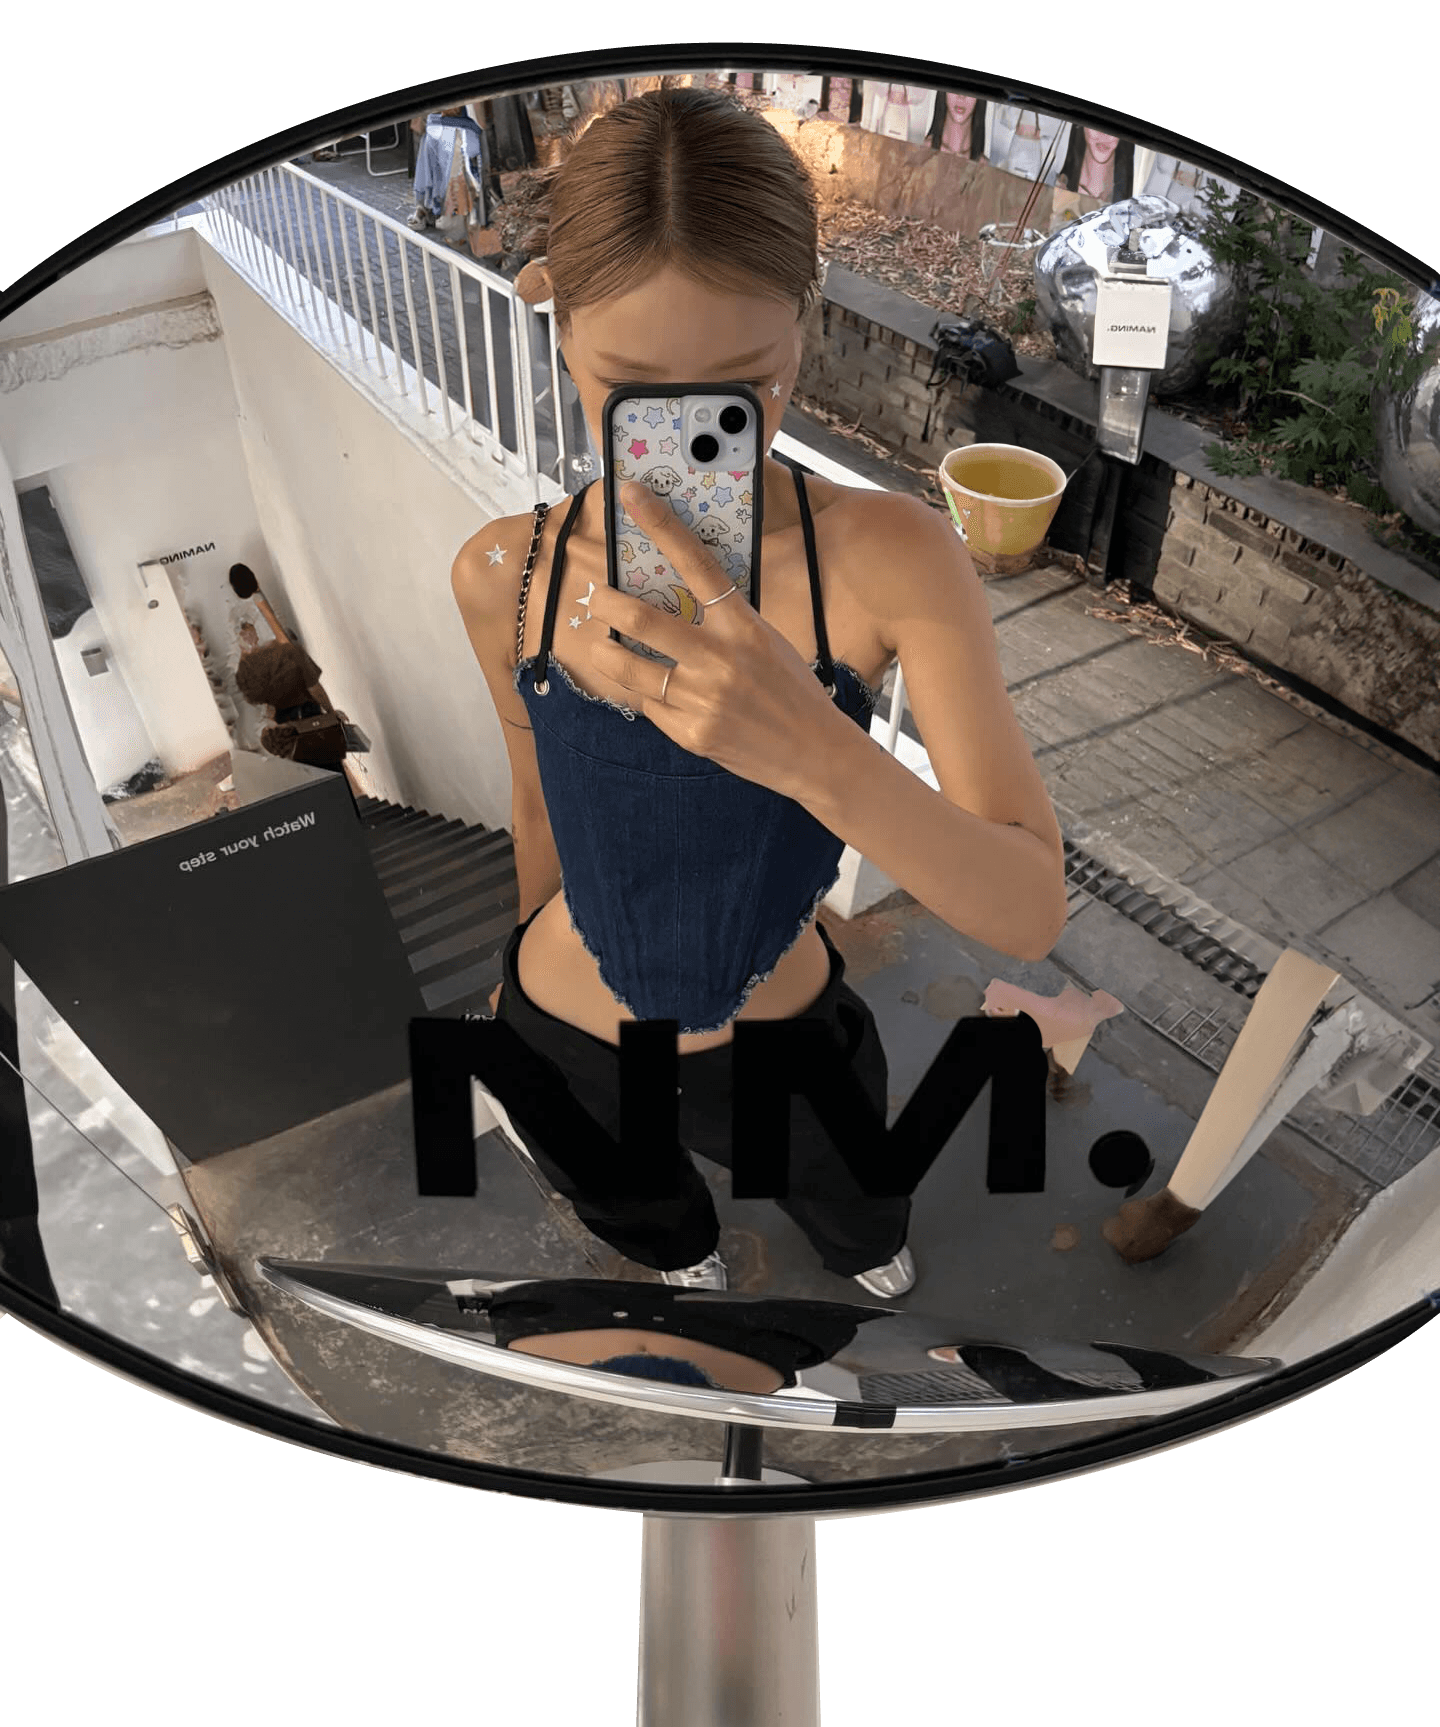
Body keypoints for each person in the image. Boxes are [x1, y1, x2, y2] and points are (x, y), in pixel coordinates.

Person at [451, 89, 1067, 1298]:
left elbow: (1029, 910)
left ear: (803, 326)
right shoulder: (502, 571)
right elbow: (537, 807)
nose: (691, 435)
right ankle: (679, 1251)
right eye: (633, 389)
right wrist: (517, 954)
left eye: (743, 389)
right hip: (564, 1019)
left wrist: (817, 751)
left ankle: (858, 1243)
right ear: (555, 322)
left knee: (856, 1205)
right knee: (646, 1214)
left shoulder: (887, 557)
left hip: (784, 1027)